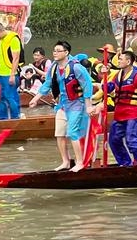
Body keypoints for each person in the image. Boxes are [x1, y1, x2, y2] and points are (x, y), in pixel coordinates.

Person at [29, 41, 94, 171]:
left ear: (66, 52)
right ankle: (65, 161)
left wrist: (88, 106)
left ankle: (79, 162)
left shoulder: (76, 67)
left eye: (58, 51)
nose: (55, 53)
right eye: (54, 50)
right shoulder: (54, 67)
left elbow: (88, 86)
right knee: (59, 134)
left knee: (73, 133)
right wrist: (35, 99)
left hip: (77, 104)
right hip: (62, 104)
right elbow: (47, 83)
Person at [100, 51, 137, 166]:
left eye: (121, 59)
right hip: (119, 114)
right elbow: (108, 88)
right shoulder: (118, 74)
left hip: (133, 114)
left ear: (128, 61)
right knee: (114, 140)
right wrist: (104, 75)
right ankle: (126, 164)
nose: (118, 61)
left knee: (132, 141)